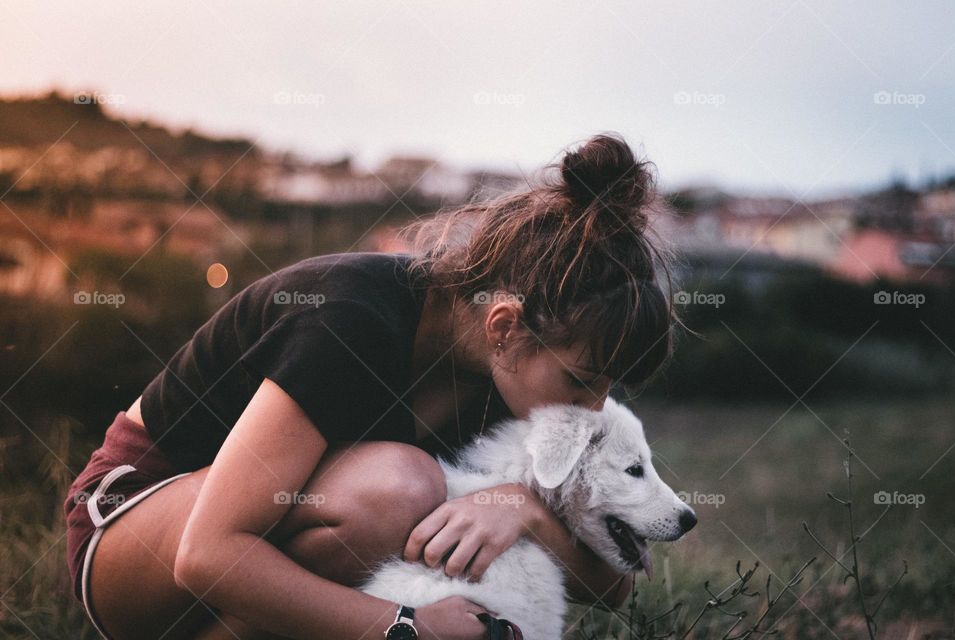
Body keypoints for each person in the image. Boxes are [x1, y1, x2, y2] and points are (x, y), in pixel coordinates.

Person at [63, 132, 679, 640]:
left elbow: (613, 586)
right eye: (579, 382)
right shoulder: (349, 318)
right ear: (505, 327)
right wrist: (408, 627)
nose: (592, 409)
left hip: (228, 562)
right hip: (132, 537)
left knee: (411, 498)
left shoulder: (508, 383)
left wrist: (524, 513)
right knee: (398, 490)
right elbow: (207, 552)